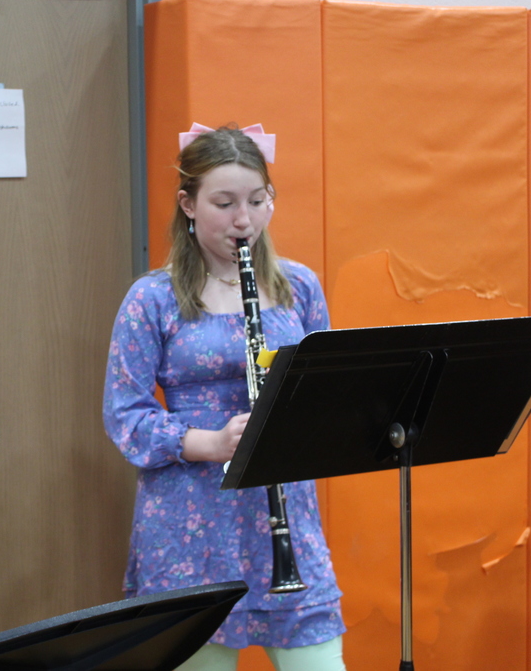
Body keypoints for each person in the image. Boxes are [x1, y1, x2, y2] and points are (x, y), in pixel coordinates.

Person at [103, 125, 345, 671]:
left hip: (281, 512)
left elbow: (323, 397)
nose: (244, 220)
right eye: (225, 203)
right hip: (190, 522)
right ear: (188, 204)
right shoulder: (152, 299)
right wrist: (207, 441)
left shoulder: (299, 287)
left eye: (258, 201)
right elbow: (124, 414)